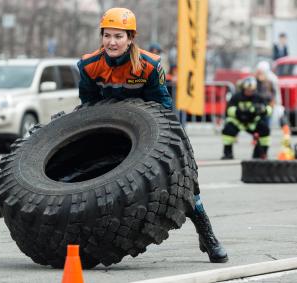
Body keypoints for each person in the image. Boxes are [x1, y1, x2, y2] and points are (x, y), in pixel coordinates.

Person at [77, 7, 228, 263]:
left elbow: (164, 105)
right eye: (107, 35)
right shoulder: (89, 65)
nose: (112, 42)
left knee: (186, 183)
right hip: (111, 130)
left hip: (154, 130)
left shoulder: (149, 65)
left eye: (119, 36)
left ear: (130, 38)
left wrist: (172, 144)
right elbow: (88, 107)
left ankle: (207, 234)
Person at [221, 77, 272, 160]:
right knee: (228, 129)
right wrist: (238, 112)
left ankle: (261, 153)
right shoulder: (236, 97)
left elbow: (269, 110)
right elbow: (229, 110)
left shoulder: (259, 97)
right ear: (243, 88)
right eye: (247, 90)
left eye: (251, 90)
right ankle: (228, 153)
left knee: (264, 129)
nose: (249, 92)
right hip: (239, 121)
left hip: (252, 122)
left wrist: (263, 110)